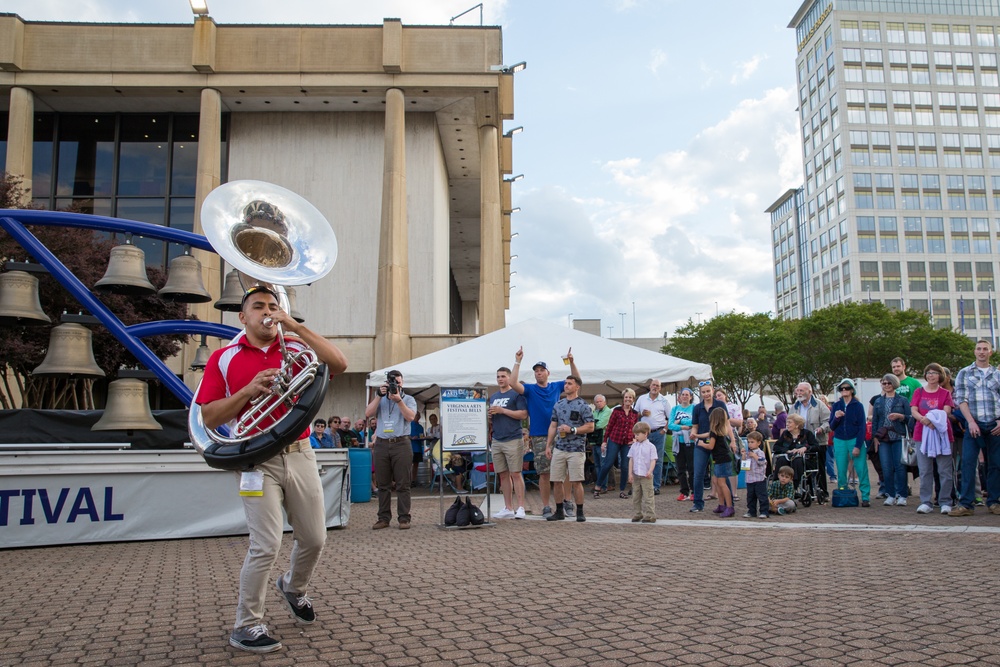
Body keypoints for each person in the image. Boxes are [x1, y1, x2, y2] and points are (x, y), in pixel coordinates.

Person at [196, 285, 348, 654]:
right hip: (255, 457)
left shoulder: (296, 348)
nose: (267, 312)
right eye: (259, 307)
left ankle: (293, 588)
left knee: (315, 537)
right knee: (266, 543)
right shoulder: (223, 357)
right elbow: (210, 415)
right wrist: (248, 391)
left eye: (273, 306)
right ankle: (247, 624)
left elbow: (339, 364)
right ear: (242, 316)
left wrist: (295, 327)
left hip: (300, 451)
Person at [511, 346, 580, 519]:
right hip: (539, 435)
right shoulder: (530, 390)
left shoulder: (557, 386)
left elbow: (577, 379)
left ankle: (567, 502)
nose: (539, 373)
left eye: (542, 370)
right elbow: (513, 383)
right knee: (544, 473)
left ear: (548, 373)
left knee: (564, 471)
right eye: (536, 371)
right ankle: (546, 506)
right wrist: (517, 361)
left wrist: (572, 362)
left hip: (561, 433)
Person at [365, 369, 418, 530]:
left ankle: (404, 518)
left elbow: (410, 417)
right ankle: (383, 518)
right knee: (383, 484)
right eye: (392, 383)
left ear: (402, 383)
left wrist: (398, 400)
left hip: (401, 443)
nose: (395, 385)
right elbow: (368, 413)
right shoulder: (380, 398)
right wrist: (378, 396)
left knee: (403, 483)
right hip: (381, 443)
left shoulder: (408, 399)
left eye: (398, 382)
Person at [952, 341, 1000, 517]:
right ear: (974, 352)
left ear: (990, 352)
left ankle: (994, 502)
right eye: (979, 349)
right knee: (968, 464)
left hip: (994, 425)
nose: (982, 352)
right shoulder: (964, 373)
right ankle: (966, 504)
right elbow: (961, 400)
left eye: (985, 349)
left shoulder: (997, 374)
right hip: (974, 424)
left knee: (995, 465)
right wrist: (970, 421)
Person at [544, 374, 594, 522]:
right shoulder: (558, 404)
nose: (566, 386)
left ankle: (579, 511)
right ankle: (559, 511)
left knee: (576, 481)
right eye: (565, 383)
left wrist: (573, 430)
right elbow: (553, 425)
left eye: (570, 384)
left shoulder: (583, 405)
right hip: (560, 447)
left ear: (577, 387)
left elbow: (591, 426)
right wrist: (548, 445)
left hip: (576, 449)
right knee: (556, 480)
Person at [909, 363, 955, 515]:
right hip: (922, 434)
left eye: (934, 373)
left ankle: (945, 501)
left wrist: (933, 421)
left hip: (941, 435)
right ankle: (925, 502)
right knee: (925, 470)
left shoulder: (945, 394)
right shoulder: (919, 392)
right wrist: (923, 419)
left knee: (944, 470)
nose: (931, 375)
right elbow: (913, 409)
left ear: (940, 375)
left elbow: (946, 411)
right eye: (929, 373)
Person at [488, 366, 529, 520]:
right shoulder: (493, 396)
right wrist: (490, 417)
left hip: (513, 438)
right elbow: (495, 416)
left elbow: (523, 415)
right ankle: (508, 507)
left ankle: (521, 507)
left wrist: (503, 411)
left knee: (516, 473)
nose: (500, 379)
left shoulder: (516, 394)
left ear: (509, 378)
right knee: (503, 475)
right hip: (497, 439)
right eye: (498, 376)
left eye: (503, 376)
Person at [689, 380, 734, 513]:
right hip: (702, 444)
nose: (706, 394)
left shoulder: (720, 405)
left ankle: (728, 503)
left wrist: (732, 440)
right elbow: (695, 426)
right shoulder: (697, 408)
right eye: (703, 392)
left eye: (708, 391)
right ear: (700, 393)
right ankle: (698, 503)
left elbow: (727, 424)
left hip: (718, 444)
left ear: (713, 391)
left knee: (722, 475)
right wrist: (693, 434)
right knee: (698, 473)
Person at [871, 374, 910, 507]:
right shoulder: (878, 401)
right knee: (886, 467)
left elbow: (910, 418)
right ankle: (890, 494)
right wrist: (875, 437)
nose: (887, 385)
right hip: (883, 438)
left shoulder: (902, 400)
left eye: (889, 383)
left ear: (894, 384)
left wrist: (900, 416)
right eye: (884, 383)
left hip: (899, 436)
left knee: (900, 467)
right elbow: (875, 421)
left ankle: (902, 494)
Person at [830, 378, 870, 507]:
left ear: (852, 390)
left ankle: (865, 497)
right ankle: (843, 495)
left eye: (847, 388)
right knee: (841, 469)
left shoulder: (858, 406)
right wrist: (836, 417)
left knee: (861, 468)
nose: (844, 391)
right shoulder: (836, 405)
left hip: (854, 439)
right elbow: (832, 426)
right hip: (840, 439)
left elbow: (862, 427)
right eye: (842, 389)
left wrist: (858, 445)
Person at [596, 388, 641, 498]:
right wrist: (604, 441)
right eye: (626, 397)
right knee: (608, 463)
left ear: (633, 399)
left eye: (630, 397)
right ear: (623, 398)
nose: (628, 399)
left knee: (625, 466)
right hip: (615, 440)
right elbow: (609, 427)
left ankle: (622, 490)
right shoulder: (616, 411)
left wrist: (635, 439)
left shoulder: (635, 414)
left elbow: (636, 428)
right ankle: (598, 487)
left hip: (627, 442)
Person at [635, 379, 671, 495]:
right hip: (644, 434)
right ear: (650, 386)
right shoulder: (641, 399)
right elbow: (634, 414)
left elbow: (671, 417)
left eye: (657, 386)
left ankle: (656, 486)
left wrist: (665, 429)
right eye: (653, 385)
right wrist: (641, 414)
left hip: (659, 433)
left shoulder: (664, 401)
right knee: (643, 459)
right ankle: (643, 485)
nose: (655, 387)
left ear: (660, 388)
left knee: (657, 460)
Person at [791, 382, 832, 481]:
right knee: (800, 466)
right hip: (799, 442)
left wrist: (822, 428)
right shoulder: (794, 407)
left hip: (818, 442)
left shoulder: (819, 405)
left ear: (809, 392)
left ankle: (822, 492)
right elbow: (789, 422)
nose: (799, 393)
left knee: (819, 469)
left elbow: (829, 421)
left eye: (802, 390)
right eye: (798, 391)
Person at [700, 407, 736, 517]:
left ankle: (729, 506)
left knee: (721, 483)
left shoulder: (714, 432)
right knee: (716, 481)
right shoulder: (720, 431)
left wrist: (701, 444)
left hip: (721, 460)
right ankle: (721, 505)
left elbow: (710, 446)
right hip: (721, 459)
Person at [772, 413, 816, 489]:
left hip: (804, 459)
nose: (787, 425)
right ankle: (778, 485)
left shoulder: (807, 433)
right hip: (788, 457)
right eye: (787, 422)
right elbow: (776, 447)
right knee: (781, 460)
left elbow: (816, 446)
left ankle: (795, 486)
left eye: (789, 422)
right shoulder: (785, 434)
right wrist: (787, 451)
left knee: (797, 461)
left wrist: (805, 448)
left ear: (797, 425)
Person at [668, 388, 696, 501]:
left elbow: (694, 422)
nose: (684, 396)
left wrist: (679, 422)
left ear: (690, 397)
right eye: (683, 395)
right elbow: (670, 425)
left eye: (687, 395)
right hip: (678, 442)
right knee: (680, 468)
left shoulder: (694, 408)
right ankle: (684, 492)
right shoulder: (675, 409)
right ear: (679, 397)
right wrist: (682, 427)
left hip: (691, 442)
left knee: (692, 468)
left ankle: (694, 491)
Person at [627, 422, 658, 523]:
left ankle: (650, 515)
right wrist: (630, 473)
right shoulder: (634, 446)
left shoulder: (651, 447)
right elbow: (631, 460)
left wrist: (650, 471)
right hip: (636, 475)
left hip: (646, 475)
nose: (636, 436)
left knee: (648, 495)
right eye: (635, 434)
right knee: (636, 496)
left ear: (645, 434)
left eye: (638, 434)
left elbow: (653, 460)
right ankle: (638, 513)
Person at [742, 431, 769, 518]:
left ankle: (764, 511)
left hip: (759, 478)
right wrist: (743, 456)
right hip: (750, 479)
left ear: (758, 443)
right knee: (750, 497)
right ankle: (751, 511)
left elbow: (762, 462)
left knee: (762, 496)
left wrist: (755, 456)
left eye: (752, 442)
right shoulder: (747, 453)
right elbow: (744, 465)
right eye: (749, 442)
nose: (750, 444)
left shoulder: (760, 452)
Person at [589, 394, 612, 485]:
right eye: (597, 402)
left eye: (600, 401)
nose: (599, 403)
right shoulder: (595, 411)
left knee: (603, 465)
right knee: (597, 465)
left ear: (605, 402)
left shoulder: (608, 411)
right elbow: (591, 422)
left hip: (604, 441)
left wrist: (591, 425)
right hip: (595, 442)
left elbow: (600, 425)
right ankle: (599, 484)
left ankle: (603, 486)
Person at [409, 411, 425, 488]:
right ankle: (408, 480)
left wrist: (422, 437)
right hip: (410, 447)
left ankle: (413, 480)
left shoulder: (421, 427)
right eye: (416, 415)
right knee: (408, 465)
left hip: (418, 448)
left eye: (418, 415)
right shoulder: (409, 424)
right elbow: (405, 435)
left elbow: (422, 437)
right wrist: (411, 438)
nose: (417, 416)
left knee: (416, 465)